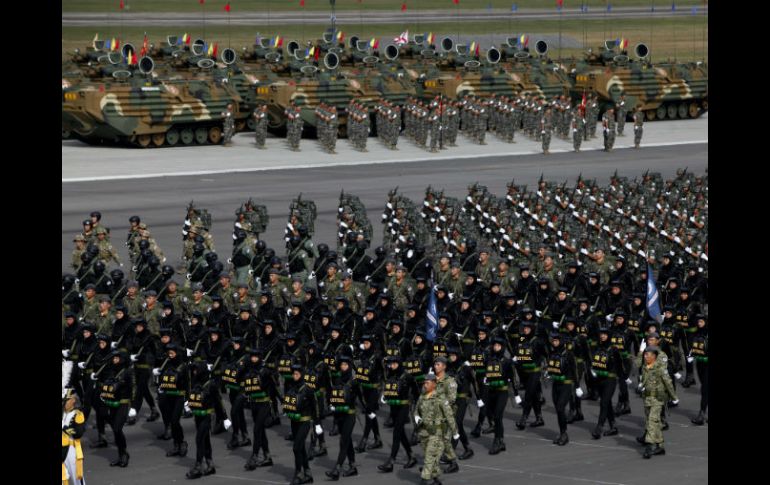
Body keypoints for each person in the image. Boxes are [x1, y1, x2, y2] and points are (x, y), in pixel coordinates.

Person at [185, 361, 229, 479]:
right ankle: (210, 464)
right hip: (197, 416)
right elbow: (194, 396)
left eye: (196, 369)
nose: (194, 372)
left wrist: (225, 418)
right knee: (205, 440)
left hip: (207, 416)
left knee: (199, 439)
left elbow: (219, 402)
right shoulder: (195, 382)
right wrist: (188, 404)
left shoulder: (211, 385)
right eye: (194, 370)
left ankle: (198, 466)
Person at [415, 374, 459, 485]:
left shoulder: (440, 398)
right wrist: (416, 418)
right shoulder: (422, 396)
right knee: (429, 457)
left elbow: (449, 415)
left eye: (427, 383)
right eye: (424, 383)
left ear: (434, 384)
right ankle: (436, 479)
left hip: (437, 432)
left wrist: (454, 432)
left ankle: (424, 479)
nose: (425, 385)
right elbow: (416, 410)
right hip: (424, 431)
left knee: (429, 457)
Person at [378, 354, 418, 472]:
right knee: (401, 434)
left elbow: (417, 392)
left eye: (394, 363)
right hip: (393, 407)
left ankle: (391, 461)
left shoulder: (407, 376)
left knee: (396, 433)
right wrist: (384, 396)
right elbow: (388, 388)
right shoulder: (391, 374)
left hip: (403, 407)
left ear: (399, 363)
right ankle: (411, 456)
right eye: (391, 363)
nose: (392, 365)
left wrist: (417, 405)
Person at [638, 346, 678, 458]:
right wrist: (640, 386)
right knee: (654, 423)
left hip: (657, 399)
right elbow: (643, 381)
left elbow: (668, 383)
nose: (645, 356)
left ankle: (649, 446)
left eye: (648, 355)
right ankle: (660, 446)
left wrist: (674, 397)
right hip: (647, 398)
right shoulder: (644, 367)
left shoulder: (660, 368)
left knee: (651, 421)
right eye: (645, 354)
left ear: (654, 356)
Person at [283, 363, 321, 484]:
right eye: (293, 374)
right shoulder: (291, 387)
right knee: (301, 448)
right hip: (294, 422)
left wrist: (317, 423)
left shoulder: (308, 389)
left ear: (302, 375)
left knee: (296, 448)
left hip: (305, 422)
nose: (294, 376)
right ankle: (308, 473)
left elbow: (315, 407)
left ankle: (298, 473)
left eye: (297, 374)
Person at [326, 354, 359, 480]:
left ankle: (337, 468)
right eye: (341, 365)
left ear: (349, 366)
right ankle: (352, 466)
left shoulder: (354, 381)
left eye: (345, 365)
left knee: (343, 441)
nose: (343, 367)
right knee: (347, 440)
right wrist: (331, 404)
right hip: (339, 414)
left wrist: (368, 409)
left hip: (349, 414)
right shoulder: (338, 379)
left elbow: (359, 395)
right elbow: (333, 394)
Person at [62, 364, 87, 485]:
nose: (64, 403)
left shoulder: (78, 414)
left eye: (66, 400)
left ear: (72, 400)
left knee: (78, 479)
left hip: (72, 450)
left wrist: (66, 428)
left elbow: (78, 433)